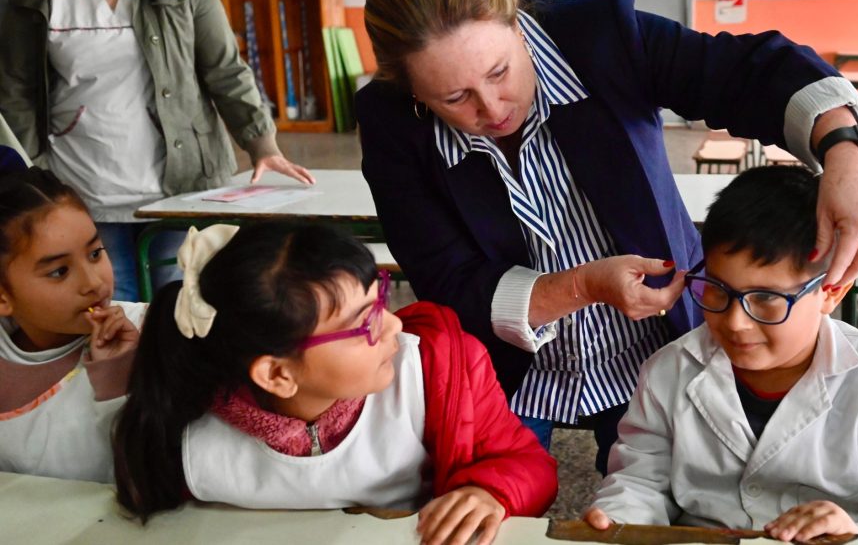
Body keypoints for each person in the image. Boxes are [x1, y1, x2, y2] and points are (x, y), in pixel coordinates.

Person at [358, 0, 858, 473]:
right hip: (508, 363)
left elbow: (748, 72)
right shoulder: (391, 123)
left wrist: (845, 150)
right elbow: (446, 278)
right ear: (413, 94)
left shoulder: (605, 36)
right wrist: (582, 288)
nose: (493, 109)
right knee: (491, 494)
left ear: (518, 27)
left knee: (657, 491)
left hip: (650, 349)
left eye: (499, 72)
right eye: (455, 98)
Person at [583, 165, 858, 539]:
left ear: (831, 292)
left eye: (766, 300)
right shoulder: (669, 370)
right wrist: (619, 517)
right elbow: (640, 481)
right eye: (718, 291)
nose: (737, 322)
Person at [113, 221, 557, 545]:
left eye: (380, 296)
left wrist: (490, 491)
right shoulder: (183, 424)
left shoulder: (435, 367)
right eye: (363, 323)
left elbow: (529, 464)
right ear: (277, 374)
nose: (393, 326)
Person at [0, 0, 313, 303]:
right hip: (85, 180)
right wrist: (27, 173)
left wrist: (261, 143)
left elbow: (224, 66)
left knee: (179, 300)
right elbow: (17, 90)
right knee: (117, 302)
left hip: (181, 181)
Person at [0, 165, 144, 483]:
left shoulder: (146, 332)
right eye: (59, 272)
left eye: (95, 253)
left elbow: (151, 473)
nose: (94, 283)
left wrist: (118, 376)